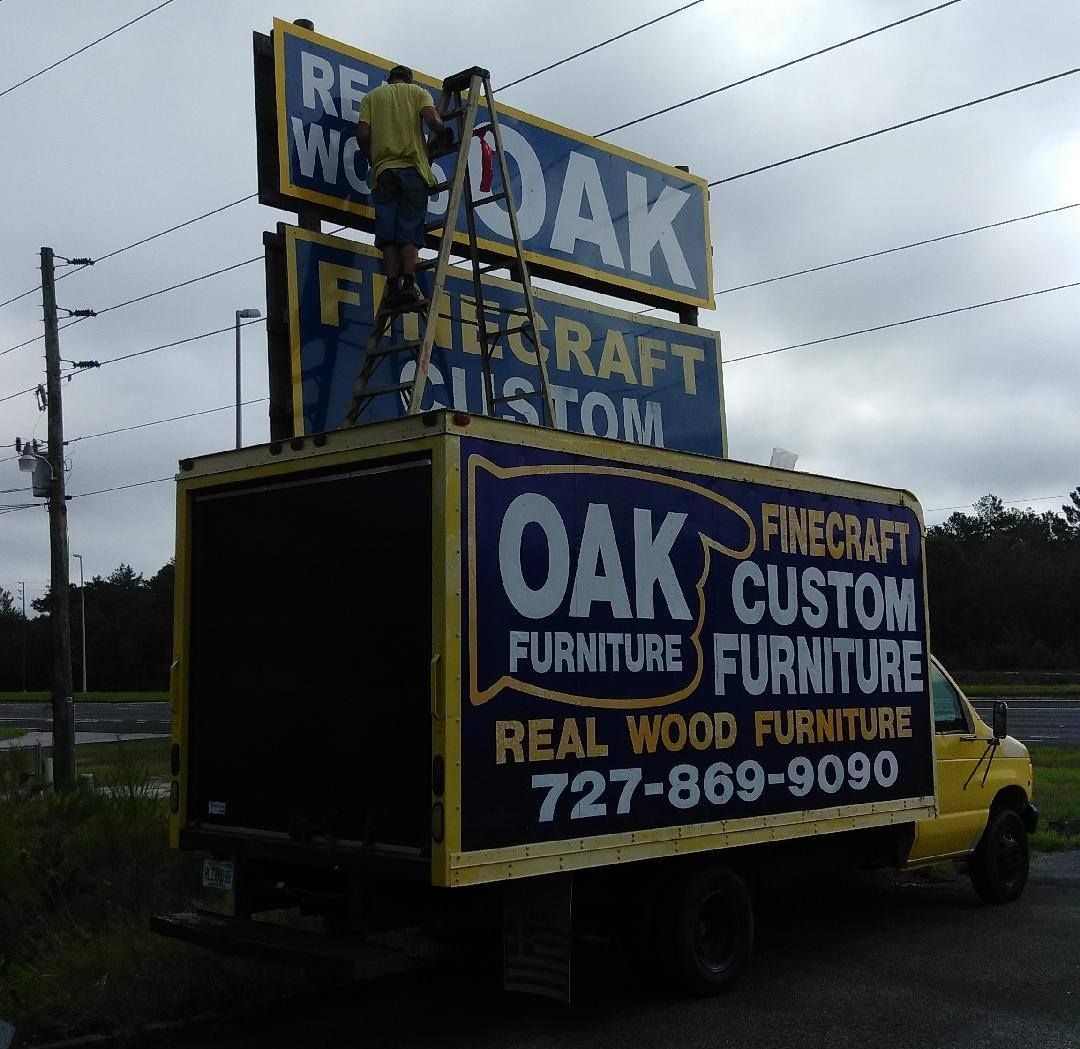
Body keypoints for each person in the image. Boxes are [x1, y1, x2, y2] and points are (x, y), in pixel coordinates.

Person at [357, 65, 444, 304]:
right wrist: (441, 126)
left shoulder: (372, 98)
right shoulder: (418, 93)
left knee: (388, 233)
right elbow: (432, 120)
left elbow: (363, 135)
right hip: (412, 170)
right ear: (409, 79)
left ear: (389, 80)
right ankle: (408, 281)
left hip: (383, 172)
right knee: (409, 231)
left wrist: (371, 157)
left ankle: (392, 283)